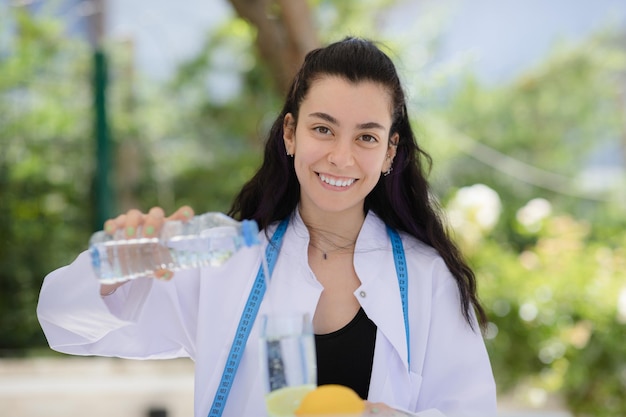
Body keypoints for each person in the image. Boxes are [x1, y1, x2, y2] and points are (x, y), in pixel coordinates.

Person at [37, 37, 497, 417]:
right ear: (290, 133)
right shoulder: (227, 264)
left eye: (366, 137)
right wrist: (114, 265)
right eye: (323, 129)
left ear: (390, 153)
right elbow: (63, 322)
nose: (341, 156)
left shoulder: (426, 278)